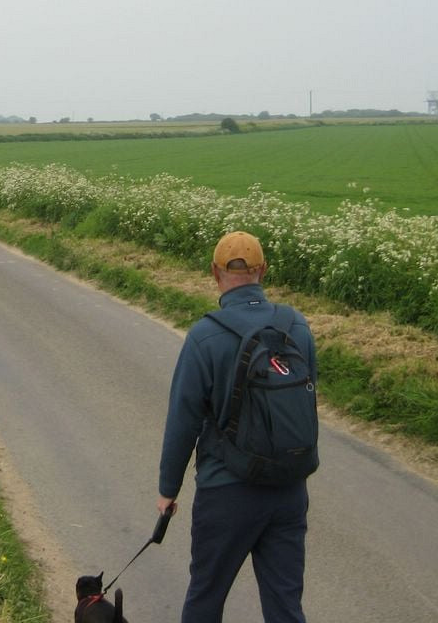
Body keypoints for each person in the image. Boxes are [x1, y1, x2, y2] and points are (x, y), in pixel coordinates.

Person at [156, 231, 318, 623]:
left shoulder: (204, 336)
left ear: (215, 273)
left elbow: (183, 420)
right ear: (264, 270)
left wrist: (168, 489)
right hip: (288, 489)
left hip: (226, 490)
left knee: (206, 598)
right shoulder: (296, 327)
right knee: (285, 606)